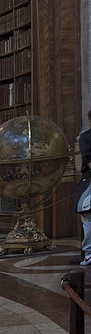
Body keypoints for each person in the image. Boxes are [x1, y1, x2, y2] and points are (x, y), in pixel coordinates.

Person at [79, 109, 91, 265]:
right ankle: (88, 253)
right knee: (87, 215)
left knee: (88, 219)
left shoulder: (85, 137)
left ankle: (88, 253)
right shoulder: (86, 137)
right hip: (89, 181)